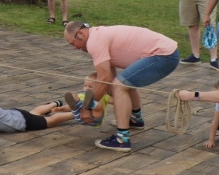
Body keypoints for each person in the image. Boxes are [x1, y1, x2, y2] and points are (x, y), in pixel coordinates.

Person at [63, 20, 180, 152]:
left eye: (73, 43)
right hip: (167, 53)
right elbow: (108, 81)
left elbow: (103, 78)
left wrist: (86, 108)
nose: (74, 47)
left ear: (80, 34)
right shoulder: (98, 35)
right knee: (122, 83)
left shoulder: (94, 42)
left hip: (163, 56)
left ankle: (122, 140)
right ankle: (135, 120)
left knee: (119, 85)